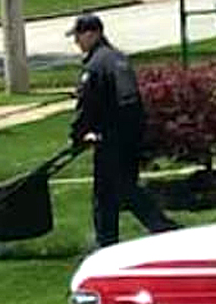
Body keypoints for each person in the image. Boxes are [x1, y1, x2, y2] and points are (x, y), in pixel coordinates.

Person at [66, 14, 180, 247]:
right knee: (114, 192)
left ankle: (163, 229)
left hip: (112, 139)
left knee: (116, 192)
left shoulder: (96, 64)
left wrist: (77, 135)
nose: (76, 42)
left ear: (93, 33)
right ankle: (110, 242)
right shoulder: (117, 59)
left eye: (78, 36)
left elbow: (87, 105)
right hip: (129, 136)